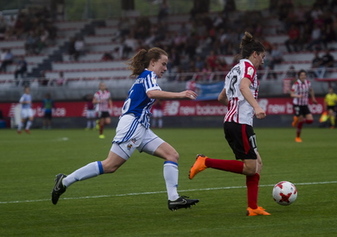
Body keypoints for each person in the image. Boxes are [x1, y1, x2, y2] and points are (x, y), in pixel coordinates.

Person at [51, 47, 199, 210]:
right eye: (163, 64)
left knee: (171, 155)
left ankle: (174, 198)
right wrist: (181, 94)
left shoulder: (143, 78)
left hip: (141, 127)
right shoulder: (148, 75)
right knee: (110, 166)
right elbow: (152, 94)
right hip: (133, 125)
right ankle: (64, 182)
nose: (165, 68)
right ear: (153, 62)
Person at [189, 32, 270, 216]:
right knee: (250, 167)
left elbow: (221, 97)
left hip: (234, 121)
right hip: (239, 123)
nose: (263, 61)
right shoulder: (249, 67)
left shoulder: (234, 69)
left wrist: (239, 107)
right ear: (255, 54)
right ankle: (205, 161)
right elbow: (243, 87)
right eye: (262, 57)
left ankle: (253, 207)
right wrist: (256, 107)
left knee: (257, 164)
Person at [290, 69, 317, 142]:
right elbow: (291, 94)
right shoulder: (296, 84)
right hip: (297, 104)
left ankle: (296, 119)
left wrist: (313, 98)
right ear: (299, 76)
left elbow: (311, 90)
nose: (303, 76)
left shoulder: (308, 83)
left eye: (304, 75)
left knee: (310, 120)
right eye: (301, 75)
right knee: (301, 119)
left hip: (305, 104)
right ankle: (297, 137)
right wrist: (298, 96)